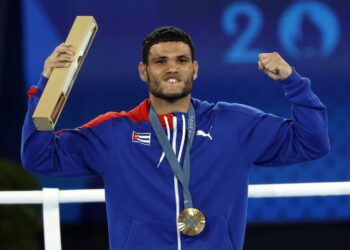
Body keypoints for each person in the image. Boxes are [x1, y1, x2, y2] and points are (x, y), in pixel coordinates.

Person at [21, 26, 330, 250]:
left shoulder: (233, 124)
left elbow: (312, 142)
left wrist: (293, 82)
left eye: (181, 61)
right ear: (143, 71)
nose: (172, 69)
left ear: (195, 70)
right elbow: (38, 156)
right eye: (160, 61)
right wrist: (48, 85)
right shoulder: (115, 131)